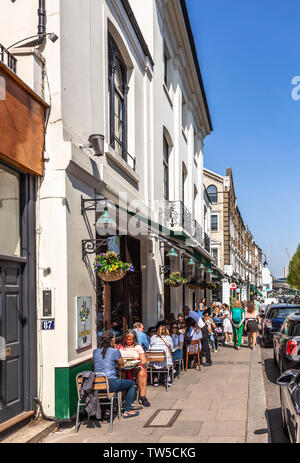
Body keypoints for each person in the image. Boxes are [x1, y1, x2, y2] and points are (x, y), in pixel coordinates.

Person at [93, 330, 139, 419]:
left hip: (96, 385)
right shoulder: (114, 351)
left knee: (106, 385)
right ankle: (127, 410)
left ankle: (107, 410)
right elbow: (122, 365)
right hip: (111, 384)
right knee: (131, 384)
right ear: (112, 340)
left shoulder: (95, 351)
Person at [118, 329, 151, 407]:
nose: (129, 341)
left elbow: (144, 360)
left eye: (131, 339)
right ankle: (123, 398)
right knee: (121, 373)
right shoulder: (120, 347)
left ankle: (143, 397)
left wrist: (135, 364)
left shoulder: (138, 347)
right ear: (124, 338)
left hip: (134, 367)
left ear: (134, 339)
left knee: (142, 372)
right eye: (127, 339)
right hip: (123, 368)